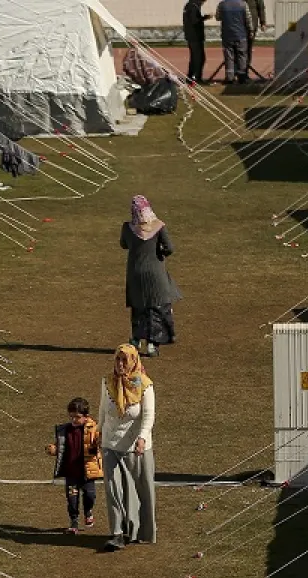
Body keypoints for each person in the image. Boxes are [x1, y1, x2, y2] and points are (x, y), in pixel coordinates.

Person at [99, 345, 156, 551]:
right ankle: (117, 533)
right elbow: (103, 409)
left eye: (125, 361)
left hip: (135, 447)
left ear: (133, 362)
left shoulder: (145, 386)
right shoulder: (107, 382)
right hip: (110, 444)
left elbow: (148, 416)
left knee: (137, 492)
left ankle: (138, 531)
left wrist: (142, 438)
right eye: (117, 360)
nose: (120, 365)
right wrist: (98, 432)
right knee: (113, 489)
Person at [120, 195, 181, 357]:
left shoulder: (127, 228)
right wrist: (159, 252)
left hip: (135, 273)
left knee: (138, 306)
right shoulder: (159, 226)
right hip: (156, 274)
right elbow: (169, 248)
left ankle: (136, 339)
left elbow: (123, 244)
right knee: (155, 307)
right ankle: (152, 344)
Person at [46, 397, 103, 532]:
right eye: (71, 417)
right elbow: (61, 445)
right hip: (71, 472)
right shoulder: (65, 430)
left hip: (87, 472)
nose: (73, 420)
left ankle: (88, 511)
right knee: (72, 498)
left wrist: (97, 446)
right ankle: (74, 521)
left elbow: (98, 444)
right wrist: (54, 449)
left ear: (86, 417)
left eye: (77, 417)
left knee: (90, 495)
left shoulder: (93, 429)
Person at [215, 0, 254, 84]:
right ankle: (242, 77)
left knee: (229, 57)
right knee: (242, 56)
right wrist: (251, 30)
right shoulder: (243, 4)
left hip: (227, 35)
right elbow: (248, 19)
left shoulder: (222, 4)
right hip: (241, 34)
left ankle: (230, 78)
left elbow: (218, 17)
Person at [183, 0, 211, 84]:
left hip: (191, 36)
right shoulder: (193, 6)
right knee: (199, 58)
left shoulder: (189, 5)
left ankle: (190, 77)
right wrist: (204, 18)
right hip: (195, 36)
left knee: (194, 58)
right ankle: (196, 78)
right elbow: (194, 20)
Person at [245, 0, 267, 80]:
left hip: (251, 26)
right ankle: (237, 72)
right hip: (239, 25)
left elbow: (261, 8)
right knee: (238, 49)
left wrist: (263, 22)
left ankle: (245, 71)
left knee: (248, 49)